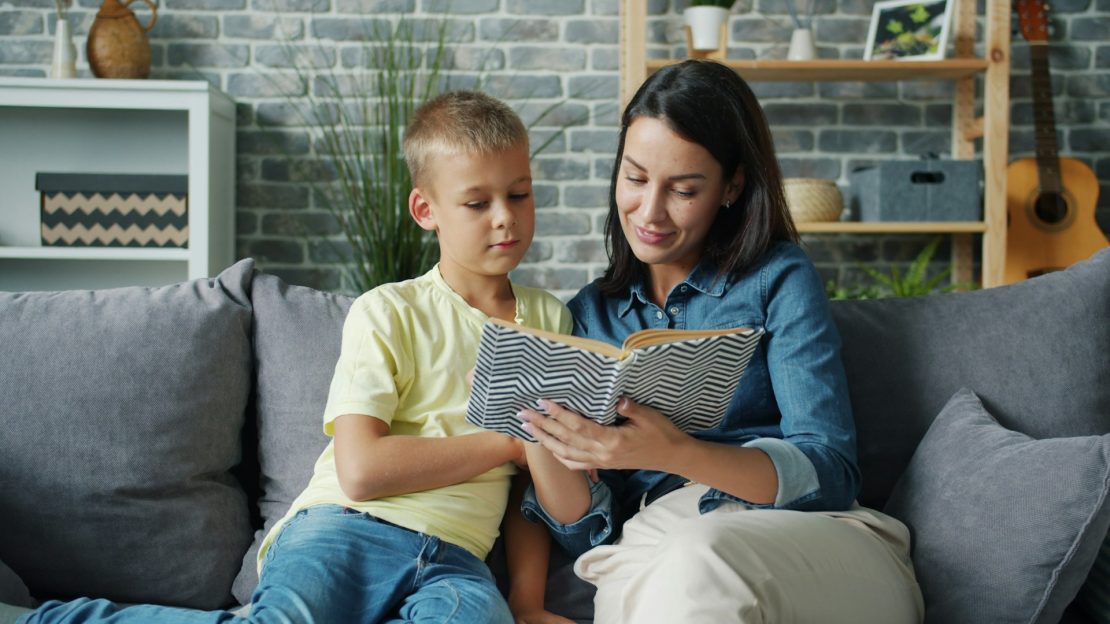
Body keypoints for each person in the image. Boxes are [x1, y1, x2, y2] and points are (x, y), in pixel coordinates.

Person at [20, 91, 577, 624]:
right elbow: (360, 471)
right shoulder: (388, 311)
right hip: (346, 527)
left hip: (457, 562)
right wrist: (509, 443)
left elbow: (527, 491)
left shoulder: (551, 322)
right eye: (478, 203)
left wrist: (525, 600)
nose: (505, 217)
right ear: (425, 210)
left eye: (520, 194)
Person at [514, 59, 925, 624]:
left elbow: (829, 470)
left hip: (804, 538)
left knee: (696, 557)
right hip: (652, 549)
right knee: (676, 565)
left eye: (683, 189)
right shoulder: (590, 317)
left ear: (732, 185)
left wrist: (673, 453)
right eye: (634, 179)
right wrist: (532, 422)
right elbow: (588, 532)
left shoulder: (777, 278)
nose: (649, 212)